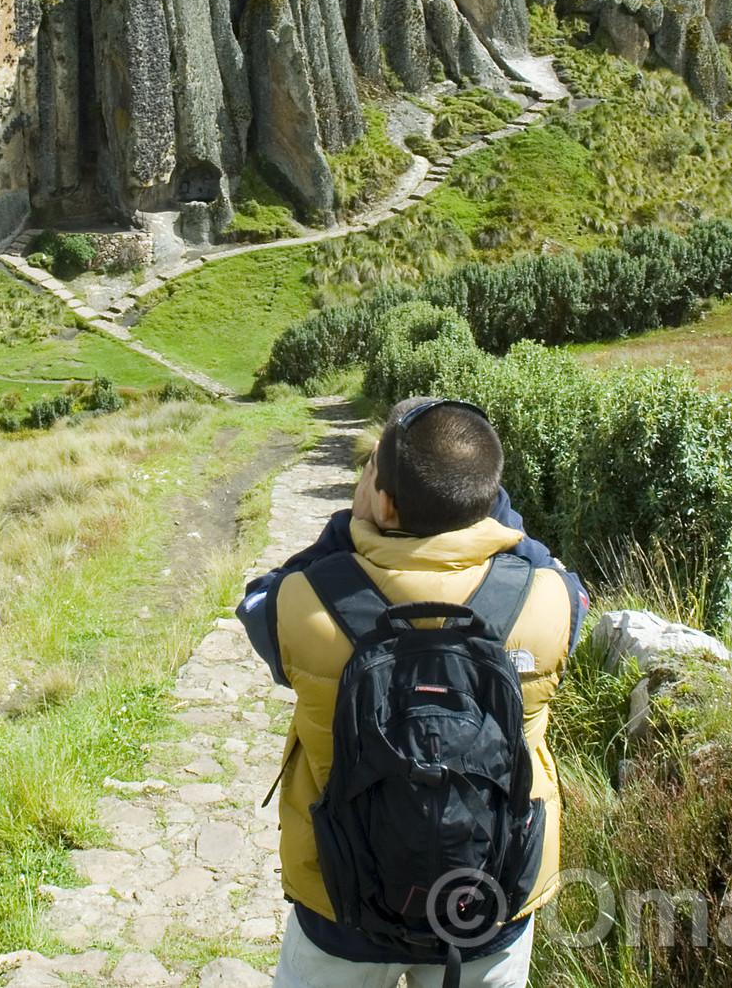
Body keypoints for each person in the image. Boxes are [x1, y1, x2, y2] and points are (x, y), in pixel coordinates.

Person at [237, 397, 585, 988]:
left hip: (340, 897)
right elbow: (545, 564)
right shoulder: (548, 599)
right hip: (487, 899)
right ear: (488, 502)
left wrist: (344, 526)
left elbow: (257, 600)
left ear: (384, 499)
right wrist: (493, 517)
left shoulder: (306, 602)